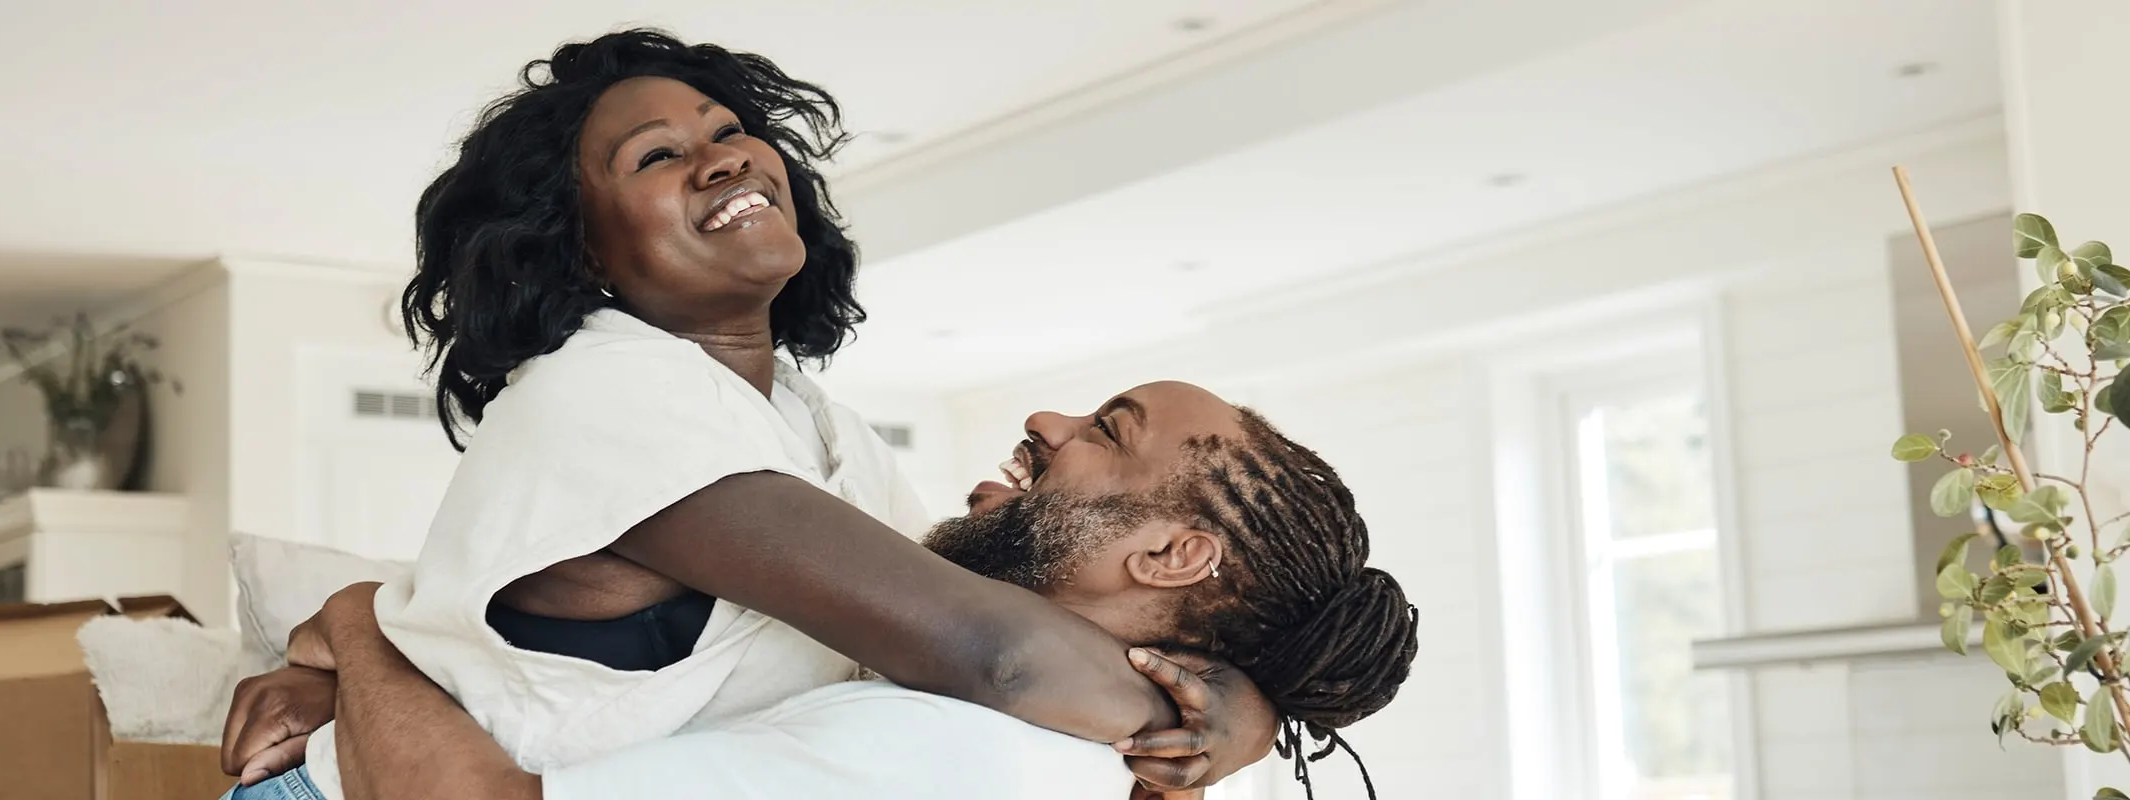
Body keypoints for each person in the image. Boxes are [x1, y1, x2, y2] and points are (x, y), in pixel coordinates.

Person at [221, 29, 1270, 800]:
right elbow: (1000, 654)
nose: (725, 158)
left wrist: (1252, 699)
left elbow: (964, 607)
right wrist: (1223, 708)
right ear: (579, 249)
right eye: (654, 157)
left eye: (728, 132)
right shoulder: (605, 390)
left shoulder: (818, 425)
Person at [233, 382, 1421, 800]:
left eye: (1109, 428)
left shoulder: (947, 745)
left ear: (1168, 558)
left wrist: (352, 620)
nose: (1048, 419)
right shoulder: (1050, 720)